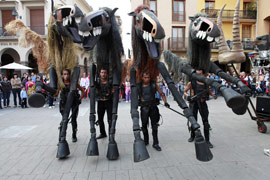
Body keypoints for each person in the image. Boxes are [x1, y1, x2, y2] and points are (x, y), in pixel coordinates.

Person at [184, 69, 216, 148]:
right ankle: (192, 136)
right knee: (193, 121)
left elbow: (208, 90)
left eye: (201, 73)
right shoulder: (191, 83)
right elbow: (184, 91)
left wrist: (213, 95)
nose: (200, 75)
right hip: (193, 103)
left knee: (206, 122)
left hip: (202, 103)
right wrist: (188, 97)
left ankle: (207, 140)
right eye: (198, 73)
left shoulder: (205, 83)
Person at [138, 72, 169, 151]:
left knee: (154, 126)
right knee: (144, 125)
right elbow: (134, 97)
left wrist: (166, 102)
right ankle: (146, 141)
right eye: (145, 77)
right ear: (142, 77)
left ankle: (156, 143)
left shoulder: (153, 84)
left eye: (148, 77)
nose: (147, 79)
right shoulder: (139, 86)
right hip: (144, 108)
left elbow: (161, 93)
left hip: (153, 108)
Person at [58, 69, 84, 142]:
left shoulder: (74, 83)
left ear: (69, 75)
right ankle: (61, 138)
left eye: (67, 74)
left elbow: (83, 91)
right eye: (64, 74)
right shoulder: (60, 84)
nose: (66, 76)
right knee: (64, 120)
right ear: (62, 75)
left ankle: (74, 135)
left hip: (74, 104)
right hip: (64, 104)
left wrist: (80, 99)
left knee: (73, 120)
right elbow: (55, 93)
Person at [96, 68, 113, 139]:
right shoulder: (97, 82)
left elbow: (114, 91)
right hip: (100, 103)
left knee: (110, 119)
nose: (103, 74)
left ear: (107, 74)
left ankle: (111, 134)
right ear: (100, 74)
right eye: (102, 72)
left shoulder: (110, 82)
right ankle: (102, 133)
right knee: (100, 119)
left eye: (105, 72)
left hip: (108, 102)